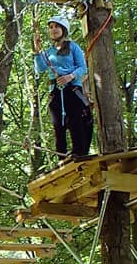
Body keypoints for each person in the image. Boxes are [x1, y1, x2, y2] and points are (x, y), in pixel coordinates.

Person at [33, 15, 93, 161]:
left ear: (63, 29)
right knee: (58, 124)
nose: (53, 30)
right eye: (51, 27)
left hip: (72, 89)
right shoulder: (48, 52)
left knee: (75, 122)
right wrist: (37, 51)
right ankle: (61, 157)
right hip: (55, 91)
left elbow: (83, 67)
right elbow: (40, 69)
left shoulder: (73, 47)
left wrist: (70, 76)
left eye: (56, 26)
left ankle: (79, 154)